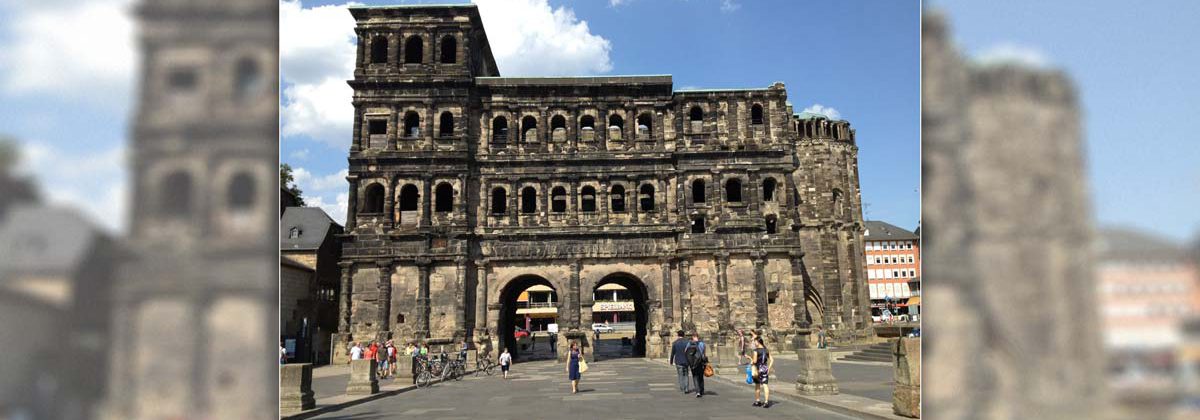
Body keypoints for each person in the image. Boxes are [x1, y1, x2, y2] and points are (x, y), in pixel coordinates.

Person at [745, 337, 773, 408]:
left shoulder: (756, 350)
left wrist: (749, 358)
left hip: (757, 369)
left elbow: (754, 361)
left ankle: (758, 401)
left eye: (755, 342)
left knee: (757, 385)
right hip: (764, 368)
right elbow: (772, 360)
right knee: (765, 385)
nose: (754, 343)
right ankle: (766, 402)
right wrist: (769, 368)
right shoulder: (766, 350)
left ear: (758, 342)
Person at [688, 332, 708, 398]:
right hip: (701, 362)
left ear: (693, 337)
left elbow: (686, 352)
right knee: (701, 377)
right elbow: (704, 353)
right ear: (698, 337)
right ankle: (702, 390)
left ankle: (698, 392)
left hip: (693, 363)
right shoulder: (702, 344)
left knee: (695, 377)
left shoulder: (689, 343)